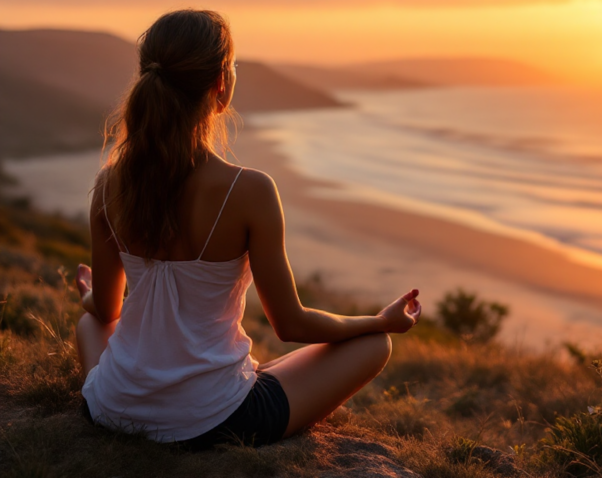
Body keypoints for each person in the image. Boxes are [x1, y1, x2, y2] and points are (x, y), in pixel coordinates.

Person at [74, 9, 422, 450]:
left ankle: (125, 399)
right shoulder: (250, 190)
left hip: (113, 408)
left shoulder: (109, 185)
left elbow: (105, 312)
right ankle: (216, 387)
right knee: (375, 346)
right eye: (233, 66)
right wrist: (379, 320)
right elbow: (291, 324)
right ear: (221, 83)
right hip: (215, 421)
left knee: (89, 325)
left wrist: (88, 293)